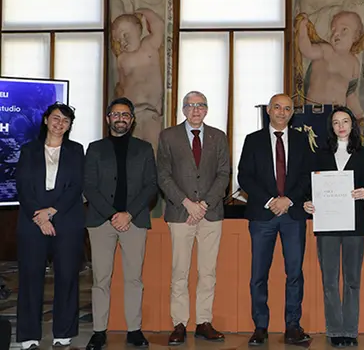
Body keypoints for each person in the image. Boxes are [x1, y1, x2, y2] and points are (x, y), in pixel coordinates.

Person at [238, 93, 315, 346]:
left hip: (292, 215)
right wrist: (271, 201)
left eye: (287, 108)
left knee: (294, 273)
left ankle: (293, 325)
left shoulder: (302, 140)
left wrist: (288, 200)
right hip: (262, 216)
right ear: (268, 110)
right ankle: (260, 326)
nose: (282, 112)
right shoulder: (253, 140)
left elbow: (307, 175)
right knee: (258, 274)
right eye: (277, 107)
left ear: (293, 113)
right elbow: (245, 177)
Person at [157, 91, 230, 345]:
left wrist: (205, 204)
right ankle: (179, 323)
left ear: (207, 110)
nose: (195, 110)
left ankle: (203, 322)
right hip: (180, 213)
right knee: (180, 271)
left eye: (200, 106)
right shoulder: (168, 136)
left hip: (211, 214)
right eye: (190, 106)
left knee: (208, 271)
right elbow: (163, 176)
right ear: (183, 110)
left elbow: (224, 174)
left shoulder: (218, 137)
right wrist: (188, 204)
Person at [84, 98, 157, 350]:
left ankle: (134, 330)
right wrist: (112, 214)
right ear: (108, 119)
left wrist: (128, 214)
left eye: (125, 115)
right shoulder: (94, 148)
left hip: (134, 221)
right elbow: (89, 186)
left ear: (132, 120)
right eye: (116, 114)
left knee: (134, 279)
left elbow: (151, 186)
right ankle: (99, 331)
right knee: (100, 279)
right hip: (101, 222)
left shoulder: (145, 149)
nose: (120, 118)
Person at [15, 103, 85, 350]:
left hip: (67, 221)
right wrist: (41, 217)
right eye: (56, 118)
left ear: (69, 126)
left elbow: (76, 186)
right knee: (30, 277)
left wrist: (52, 212)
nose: (60, 124)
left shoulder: (77, 151)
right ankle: (28, 335)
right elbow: (23, 187)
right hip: (32, 222)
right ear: (45, 120)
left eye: (65, 121)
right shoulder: (28, 150)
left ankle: (63, 331)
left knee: (67, 276)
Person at [302, 106, 364, 348]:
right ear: (330, 127)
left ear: (353, 125)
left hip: (354, 224)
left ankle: (350, 330)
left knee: (352, 279)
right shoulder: (319, 154)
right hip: (327, 223)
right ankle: (334, 330)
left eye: (345, 121)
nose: (341, 126)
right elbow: (310, 188)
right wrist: (308, 203)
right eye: (335, 122)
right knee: (330, 279)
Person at [111, 8, 164, 151]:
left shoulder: (148, 46)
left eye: (126, 35)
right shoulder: (121, 59)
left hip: (150, 110)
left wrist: (144, 11)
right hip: (131, 114)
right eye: (119, 40)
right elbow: (122, 84)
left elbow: (159, 26)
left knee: (151, 150)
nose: (123, 42)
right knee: (130, 151)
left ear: (138, 29)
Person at [298, 12, 364, 118]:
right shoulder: (325, 50)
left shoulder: (354, 63)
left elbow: (350, 94)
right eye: (333, 30)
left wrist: (360, 115)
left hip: (338, 115)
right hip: (315, 111)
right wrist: (302, 30)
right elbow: (307, 50)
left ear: (355, 36)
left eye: (344, 29)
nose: (336, 33)